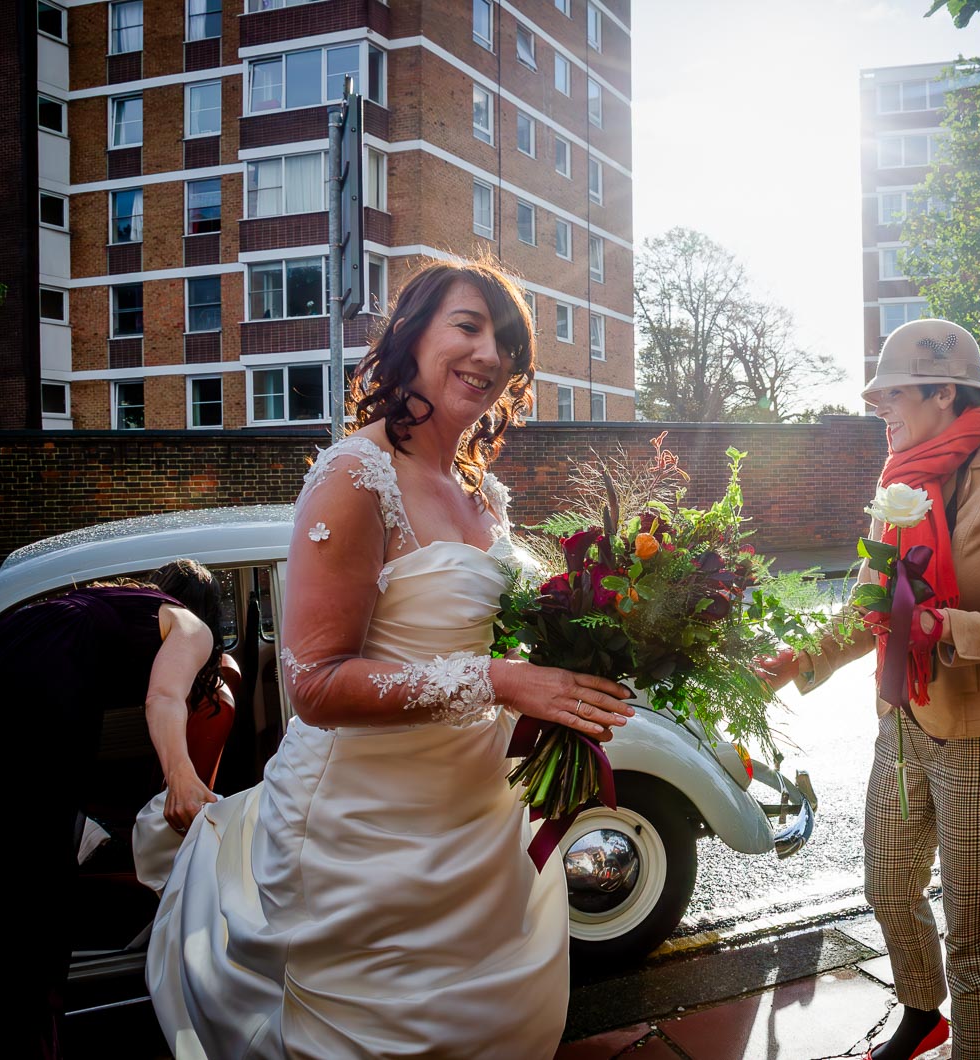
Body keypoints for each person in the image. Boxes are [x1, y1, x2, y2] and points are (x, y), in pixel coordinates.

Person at [134, 257, 635, 1059]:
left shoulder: (482, 492)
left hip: (477, 819)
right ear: (411, 334)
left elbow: (490, 638)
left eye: (505, 341)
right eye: (468, 326)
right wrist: (501, 680)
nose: (489, 354)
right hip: (366, 835)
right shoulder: (356, 473)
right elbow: (316, 684)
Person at [760, 319, 980, 1060]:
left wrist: (944, 626)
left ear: (944, 390)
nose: (879, 409)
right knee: (888, 888)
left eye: (892, 394)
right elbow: (871, 602)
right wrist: (800, 659)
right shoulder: (896, 481)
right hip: (901, 724)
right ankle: (923, 1013)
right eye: (875, 398)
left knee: (973, 932)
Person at [0, 558, 227, 1059]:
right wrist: (181, 775)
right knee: (33, 887)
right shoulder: (192, 627)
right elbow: (163, 696)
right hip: (33, 705)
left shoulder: (109, 603)